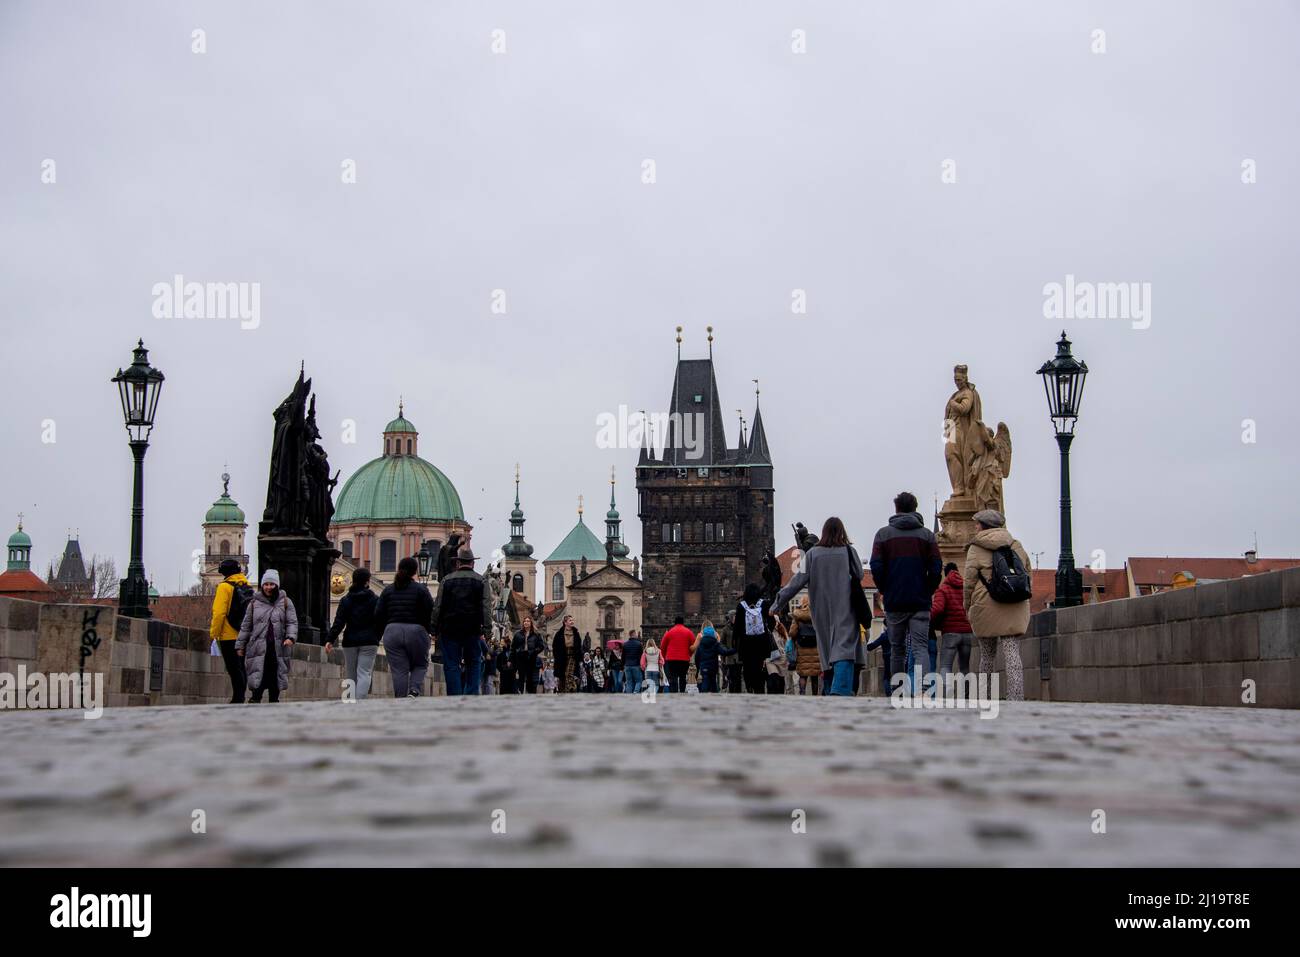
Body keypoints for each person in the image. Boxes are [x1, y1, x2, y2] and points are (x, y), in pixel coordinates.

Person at [775, 517, 866, 696]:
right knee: (844, 650)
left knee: (827, 654)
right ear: (842, 532)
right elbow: (860, 574)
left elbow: (796, 582)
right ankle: (839, 691)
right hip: (846, 609)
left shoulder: (812, 555)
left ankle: (831, 689)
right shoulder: (849, 551)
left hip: (821, 612)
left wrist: (778, 602)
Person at [870, 492, 942, 694]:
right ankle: (925, 687)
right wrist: (928, 589)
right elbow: (937, 567)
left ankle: (897, 687)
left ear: (896, 509)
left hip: (895, 601)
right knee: (920, 647)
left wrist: (885, 588)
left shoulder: (883, 535)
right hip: (920, 600)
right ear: (915, 508)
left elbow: (876, 566)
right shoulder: (927, 535)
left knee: (897, 648)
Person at [963, 509, 1031, 701]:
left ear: (984, 526)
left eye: (977, 524)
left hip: (986, 606)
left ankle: (985, 696)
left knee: (987, 655)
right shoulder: (1016, 545)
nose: (975, 527)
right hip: (1014, 603)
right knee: (1012, 652)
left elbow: (969, 581)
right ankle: (1016, 697)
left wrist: (967, 604)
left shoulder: (976, 548)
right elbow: (1027, 574)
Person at [430, 548, 492, 695]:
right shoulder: (481, 581)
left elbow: (438, 606)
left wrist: (433, 628)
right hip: (472, 628)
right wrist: (487, 630)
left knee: (451, 664)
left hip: (449, 628)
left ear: (457, 563)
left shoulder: (446, 580)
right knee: (474, 662)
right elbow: (486, 608)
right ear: (473, 563)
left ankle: (454, 695)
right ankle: (471, 693)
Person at [376, 556, 435, 698]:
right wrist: (431, 631)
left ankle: (400, 698)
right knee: (420, 664)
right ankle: (414, 690)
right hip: (416, 630)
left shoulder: (388, 590)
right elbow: (430, 612)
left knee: (399, 670)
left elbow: (378, 613)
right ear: (415, 571)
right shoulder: (421, 590)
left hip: (392, 631)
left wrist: (384, 629)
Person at [236, 569, 297, 703]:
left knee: (275, 678)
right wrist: (240, 645)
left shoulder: (286, 602)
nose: (268, 587)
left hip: (277, 648)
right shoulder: (253, 604)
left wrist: (290, 637)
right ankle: (255, 699)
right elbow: (246, 626)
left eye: (272, 584)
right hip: (257, 647)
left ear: (277, 585)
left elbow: (292, 622)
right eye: (266, 584)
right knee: (258, 677)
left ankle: (274, 703)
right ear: (262, 585)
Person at [324, 567, 379, 700]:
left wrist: (330, 639)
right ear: (367, 582)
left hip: (350, 641)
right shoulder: (375, 599)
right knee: (364, 673)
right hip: (369, 641)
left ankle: (349, 702)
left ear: (353, 581)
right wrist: (377, 636)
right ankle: (360, 702)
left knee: (350, 674)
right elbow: (380, 620)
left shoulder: (346, 600)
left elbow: (339, 622)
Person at [209, 558, 252, 703]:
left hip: (228, 634)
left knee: (233, 668)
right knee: (241, 667)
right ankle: (240, 696)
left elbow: (219, 613)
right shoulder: (245, 585)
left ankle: (238, 698)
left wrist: (214, 633)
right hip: (244, 634)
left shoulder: (224, 587)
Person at [932, 561, 974, 677]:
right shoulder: (967, 588)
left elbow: (937, 610)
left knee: (946, 666)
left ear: (945, 574)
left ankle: (946, 694)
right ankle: (965, 695)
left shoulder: (943, 589)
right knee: (965, 668)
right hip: (967, 633)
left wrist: (934, 624)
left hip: (950, 632)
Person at [732, 584, 774, 693]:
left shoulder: (741, 606)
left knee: (747, 667)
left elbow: (736, 627)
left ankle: (749, 686)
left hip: (746, 644)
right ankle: (759, 688)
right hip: (761, 643)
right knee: (760, 666)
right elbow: (772, 621)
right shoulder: (764, 604)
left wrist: (735, 642)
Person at [787, 591, 821, 695]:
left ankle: (802, 693)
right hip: (815, 648)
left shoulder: (797, 616)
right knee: (815, 674)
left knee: (803, 674)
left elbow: (792, 633)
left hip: (802, 648)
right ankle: (815, 695)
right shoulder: (817, 614)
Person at [690, 623, 735, 693]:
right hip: (713, 668)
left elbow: (697, 657)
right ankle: (715, 697)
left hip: (704, 667)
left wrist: (698, 667)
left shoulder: (701, 645)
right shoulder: (716, 644)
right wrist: (734, 650)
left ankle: (704, 696)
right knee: (713, 682)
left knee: (705, 681)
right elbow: (724, 652)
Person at [660, 614, 695, 693]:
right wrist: (689, 654)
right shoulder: (688, 632)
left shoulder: (669, 632)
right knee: (683, 677)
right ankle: (682, 692)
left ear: (674, 622)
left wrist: (665, 657)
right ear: (683, 622)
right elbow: (693, 645)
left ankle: (674, 693)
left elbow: (662, 646)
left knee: (673, 678)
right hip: (684, 659)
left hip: (671, 659)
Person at [512, 616, 545, 693]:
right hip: (520, 657)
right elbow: (513, 648)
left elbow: (541, 646)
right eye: (525, 621)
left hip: (531, 657)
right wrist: (512, 658)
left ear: (531, 623)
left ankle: (529, 693)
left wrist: (534, 652)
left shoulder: (536, 634)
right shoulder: (518, 634)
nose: (526, 622)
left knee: (530, 677)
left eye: (528, 621)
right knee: (521, 676)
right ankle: (520, 692)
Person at [552, 616, 583, 693]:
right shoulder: (559, 634)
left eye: (572, 620)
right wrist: (556, 656)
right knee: (562, 676)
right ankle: (564, 691)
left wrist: (580, 658)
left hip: (573, 656)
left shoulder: (576, 633)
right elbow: (555, 646)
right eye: (570, 620)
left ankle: (572, 689)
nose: (572, 621)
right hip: (562, 657)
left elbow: (579, 646)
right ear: (565, 622)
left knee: (569, 673)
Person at [622, 629, 644, 693]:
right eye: (636, 634)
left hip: (627, 665)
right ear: (633, 634)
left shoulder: (625, 644)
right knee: (638, 681)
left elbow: (623, 656)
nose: (637, 635)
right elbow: (641, 656)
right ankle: (635, 692)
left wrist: (623, 665)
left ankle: (629, 695)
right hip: (636, 665)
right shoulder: (639, 644)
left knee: (629, 682)